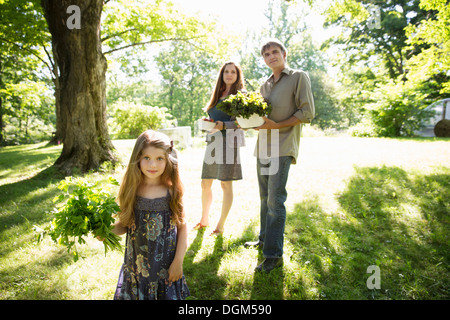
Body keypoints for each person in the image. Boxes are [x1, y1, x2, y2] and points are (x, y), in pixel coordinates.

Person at [244, 39, 315, 272]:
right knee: (265, 197)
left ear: (284, 53)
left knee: (276, 200)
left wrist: (277, 126)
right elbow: (262, 117)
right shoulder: (264, 85)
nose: (271, 56)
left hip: (283, 146)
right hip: (263, 146)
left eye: (275, 52)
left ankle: (273, 255)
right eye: (266, 54)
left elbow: (307, 112)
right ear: (264, 59)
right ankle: (264, 239)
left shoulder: (298, 77)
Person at [109, 130, 190, 300]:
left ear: (168, 159)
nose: (153, 164)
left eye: (159, 158)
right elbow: (124, 225)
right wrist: (107, 231)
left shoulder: (172, 190)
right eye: (146, 158)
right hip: (137, 269)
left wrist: (178, 262)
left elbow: (182, 227)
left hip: (165, 268)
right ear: (137, 158)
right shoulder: (131, 190)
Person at [194, 61, 246, 236]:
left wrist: (223, 125)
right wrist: (207, 123)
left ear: (238, 75)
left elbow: (243, 124)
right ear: (222, 75)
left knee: (225, 184)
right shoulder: (217, 94)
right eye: (226, 72)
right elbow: (213, 118)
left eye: (233, 72)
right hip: (213, 142)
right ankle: (204, 219)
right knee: (205, 182)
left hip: (229, 143)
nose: (229, 74)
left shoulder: (241, 96)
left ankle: (220, 225)